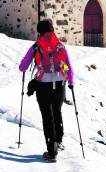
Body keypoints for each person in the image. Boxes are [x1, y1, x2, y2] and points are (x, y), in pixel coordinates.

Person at [18, 20, 75, 162]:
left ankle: (51, 151)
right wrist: (70, 80)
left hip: (43, 86)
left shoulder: (36, 47)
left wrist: (27, 65)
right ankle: (59, 140)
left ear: (40, 32)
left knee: (47, 117)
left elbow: (23, 67)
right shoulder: (60, 46)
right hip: (60, 84)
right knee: (57, 112)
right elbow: (67, 66)